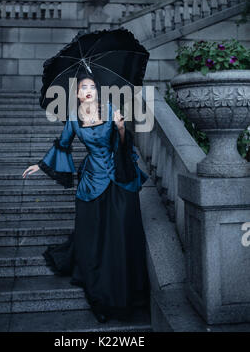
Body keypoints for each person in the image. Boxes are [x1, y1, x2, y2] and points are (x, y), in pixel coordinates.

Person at [22, 72, 150, 323]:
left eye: (92, 86)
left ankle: (127, 290)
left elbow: (123, 146)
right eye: (84, 87)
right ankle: (99, 292)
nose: (89, 90)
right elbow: (63, 144)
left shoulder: (111, 109)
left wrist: (121, 128)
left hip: (118, 179)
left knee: (120, 234)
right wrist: (40, 165)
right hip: (91, 180)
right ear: (78, 93)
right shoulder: (73, 118)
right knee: (93, 238)